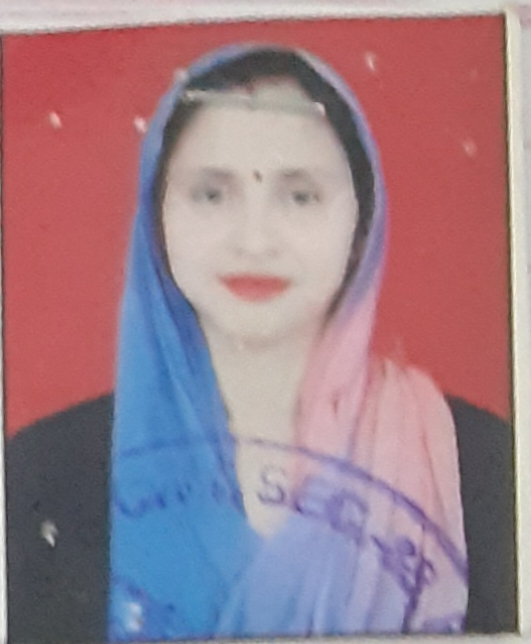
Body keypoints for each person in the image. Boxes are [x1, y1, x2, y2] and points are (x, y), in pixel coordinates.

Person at [6, 44, 516, 643]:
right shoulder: (44, 472)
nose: (254, 240)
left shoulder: (484, 464)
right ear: (156, 217)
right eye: (211, 194)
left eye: (300, 196)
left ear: (362, 222)